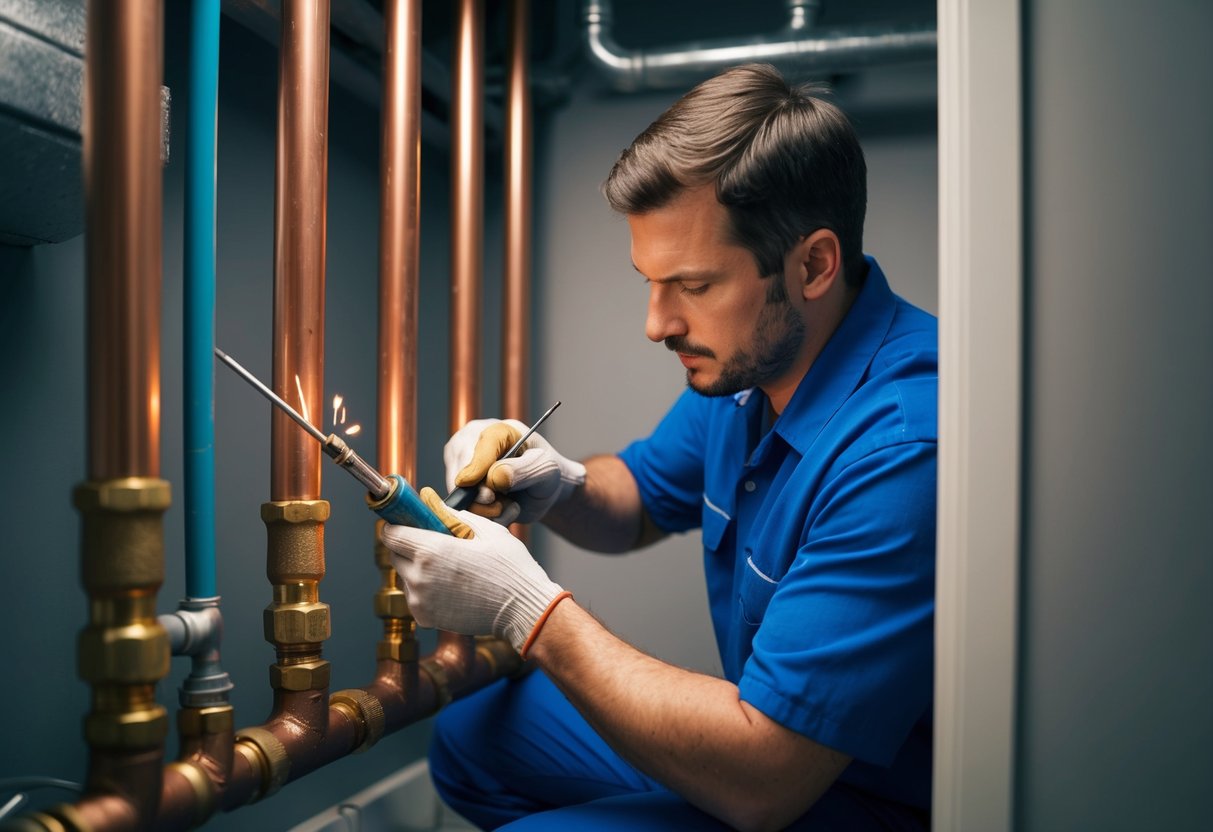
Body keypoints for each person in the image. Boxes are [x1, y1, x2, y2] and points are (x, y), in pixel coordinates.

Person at [381, 63, 937, 831]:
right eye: (649, 281)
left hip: (837, 793)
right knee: (472, 740)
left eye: (694, 286)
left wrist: (527, 611)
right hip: (771, 759)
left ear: (812, 265)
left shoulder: (900, 449)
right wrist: (560, 485)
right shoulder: (758, 366)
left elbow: (765, 776)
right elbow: (639, 499)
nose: (657, 324)